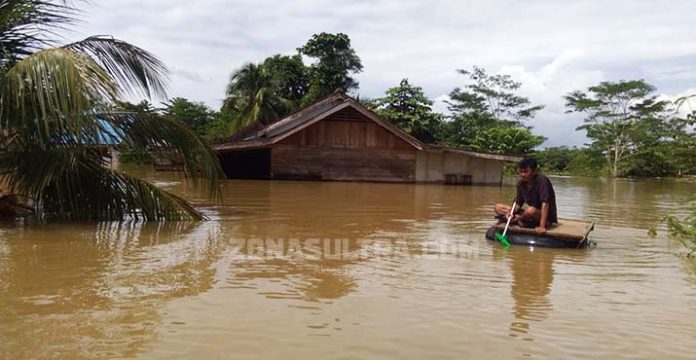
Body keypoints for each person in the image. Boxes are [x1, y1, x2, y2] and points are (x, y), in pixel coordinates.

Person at [494, 157, 557, 235]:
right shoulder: (521, 183)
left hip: (545, 216)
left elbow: (545, 204)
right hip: (529, 214)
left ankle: (519, 218)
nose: (523, 174)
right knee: (498, 207)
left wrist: (541, 226)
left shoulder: (542, 181)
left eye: (526, 172)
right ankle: (516, 218)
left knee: (530, 211)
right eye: (521, 172)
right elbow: (518, 204)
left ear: (534, 171)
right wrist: (511, 213)